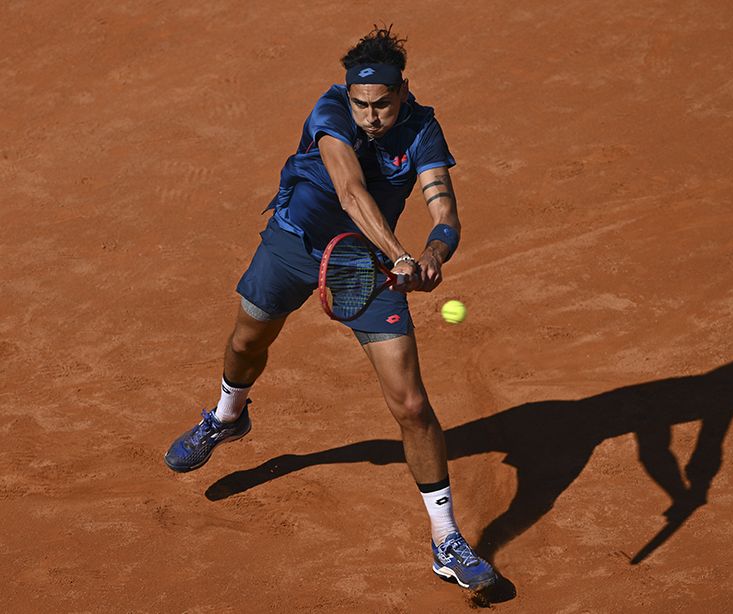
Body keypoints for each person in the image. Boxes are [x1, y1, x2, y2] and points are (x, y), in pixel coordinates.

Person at [163, 26, 497, 592]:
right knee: (247, 342)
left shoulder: (423, 130)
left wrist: (433, 255)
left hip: (364, 267)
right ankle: (227, 416)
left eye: (382, 104)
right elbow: (350, 191)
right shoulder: (331, 110)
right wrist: (402, 253)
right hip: (293, 244)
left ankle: (446, 539)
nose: (370, 117)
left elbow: (445, 213)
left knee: (413, 405)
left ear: (403, 90)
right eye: (361, 104)